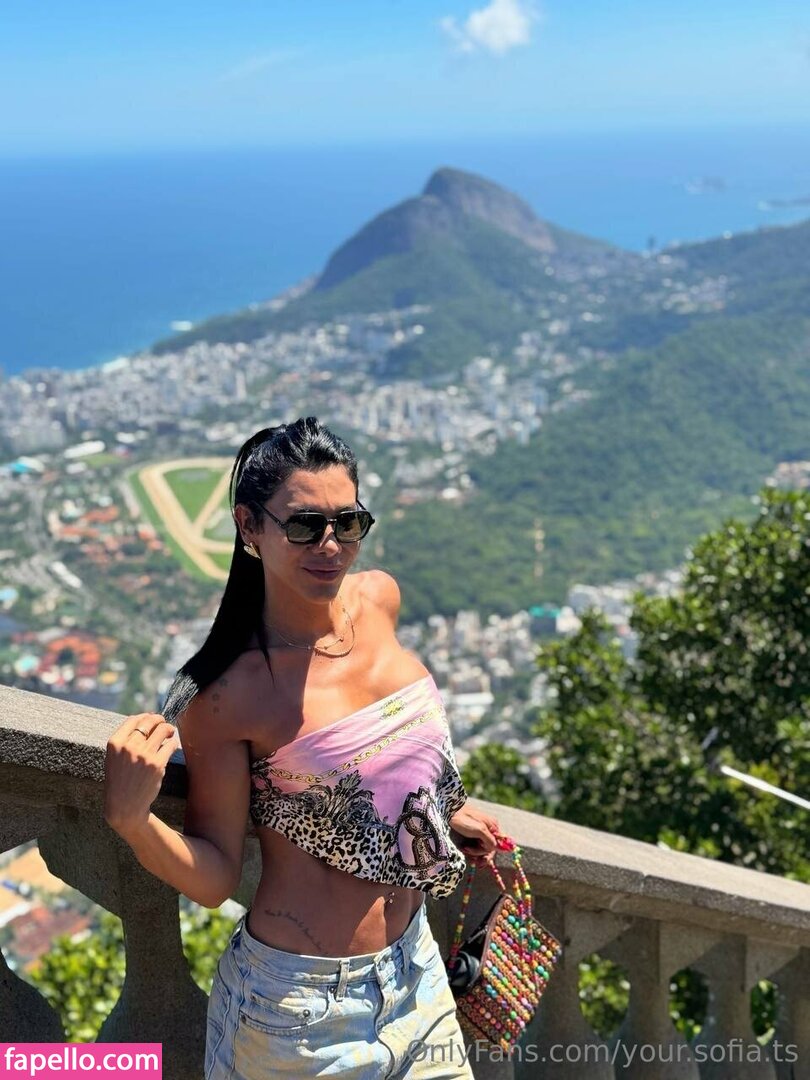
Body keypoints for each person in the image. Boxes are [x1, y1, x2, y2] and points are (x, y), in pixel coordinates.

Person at [104, 417, 500, 1079]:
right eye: (304, 525)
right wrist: (131, 821)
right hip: (300, 1012)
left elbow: (387, 741)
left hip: (418, 969)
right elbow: (216, 876)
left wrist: (436, 807)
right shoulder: (229, 695)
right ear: (248, 527)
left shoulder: (380, 599)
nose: (330, 545)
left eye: (348, 522)